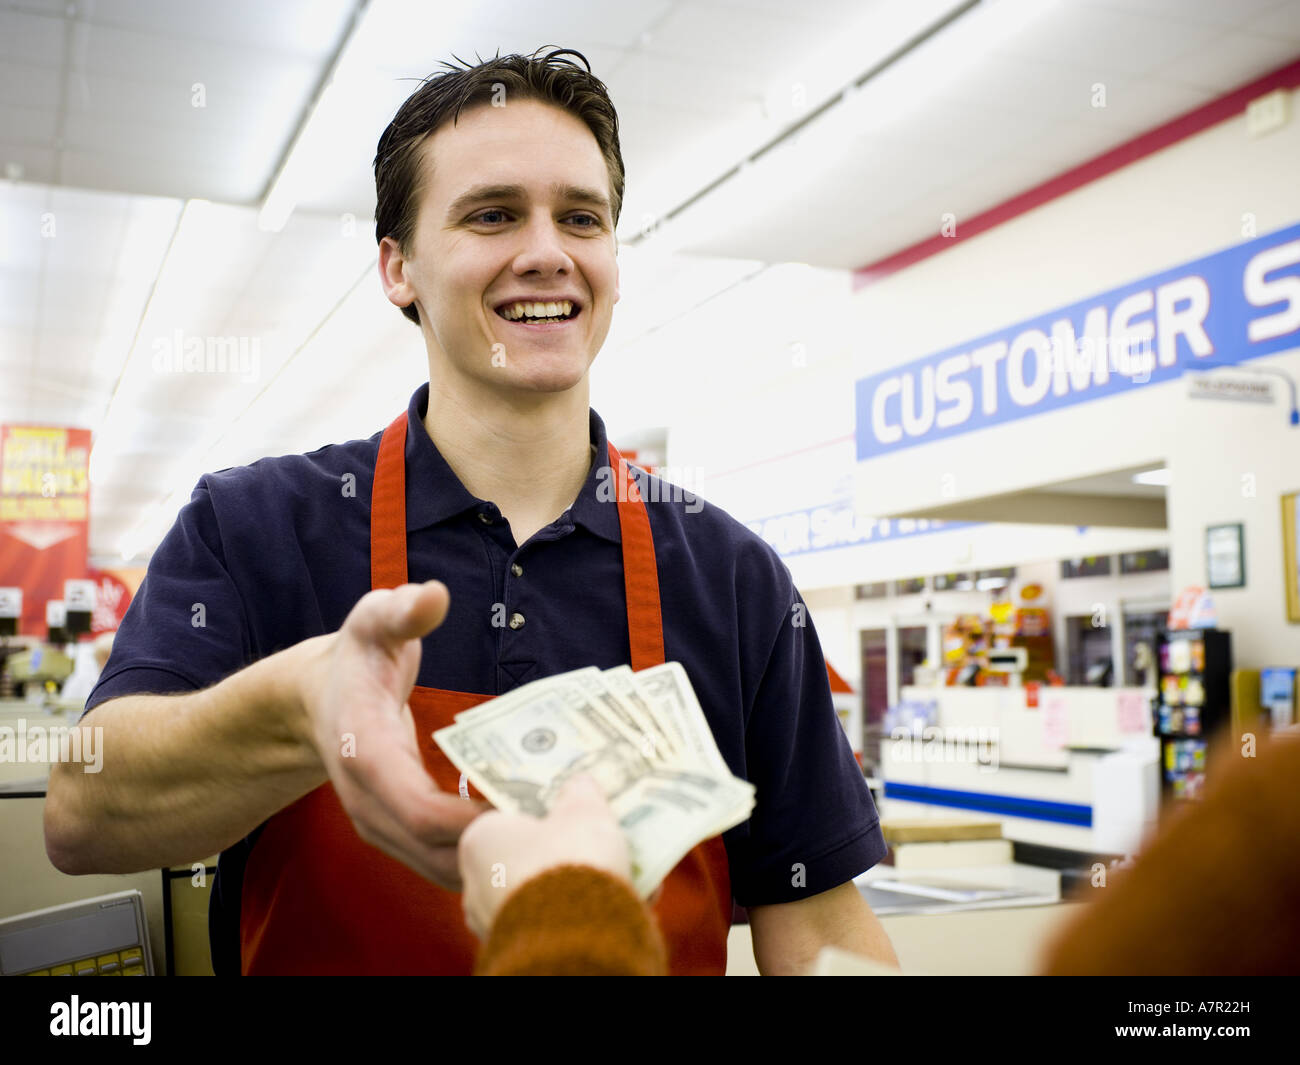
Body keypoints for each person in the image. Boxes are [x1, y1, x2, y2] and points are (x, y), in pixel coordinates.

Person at [44, 47, 896, 976]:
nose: (548, 252)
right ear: (398, 266)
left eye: (582, 218)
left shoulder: (732, 577)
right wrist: (299, 710)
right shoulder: (256, 527)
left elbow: (815, 913)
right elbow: (83, 816)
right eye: (493, 215)